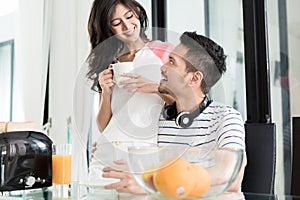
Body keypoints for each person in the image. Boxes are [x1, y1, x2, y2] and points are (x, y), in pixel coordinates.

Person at [102, 31, 247, 193]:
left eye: (171, 62)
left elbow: (231, 175)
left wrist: (152, 182)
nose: (162, 67)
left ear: (193, 79)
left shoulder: (225, 118)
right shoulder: (160, 117)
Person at [86, 0, 173, 184]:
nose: (127, 27)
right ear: (108, 28)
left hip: (146, 155)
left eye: (129, 17)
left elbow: (182, 102)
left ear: (138, 12)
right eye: (117, 23)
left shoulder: (164, 52)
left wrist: (154, 88)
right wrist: (106, 91)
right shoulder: (110, 62)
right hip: (107, 154)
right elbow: (104, 126)